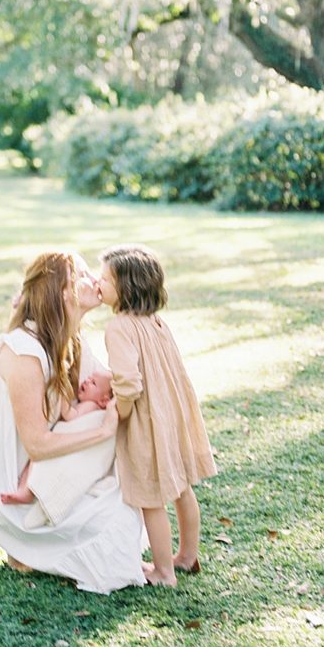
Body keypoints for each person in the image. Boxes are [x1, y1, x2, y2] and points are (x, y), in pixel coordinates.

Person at [0, 250, 146, 594]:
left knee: (125, 513)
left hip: (54, 467)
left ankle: (39, 548)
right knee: (113, 542)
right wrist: (101, 430)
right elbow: (36, 443)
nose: (95, 280)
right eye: (82, 275)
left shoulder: (70, 339)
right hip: (13, 490)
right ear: (62, 292)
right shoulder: (24, 351)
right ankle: (28, 539)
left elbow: (112, 385)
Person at [99, 244, 217, 587]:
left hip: (147, 419)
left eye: (106, 278)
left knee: (150, 497)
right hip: (172, 411)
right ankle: (188, 556)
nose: (99, 282)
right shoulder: (156, 321)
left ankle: (164, 571)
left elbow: (129, 383)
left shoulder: (119, 327)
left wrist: (117, 414)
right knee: (181, 487)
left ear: (128, 288)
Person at [0, 371, 114, 506]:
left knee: (36, 461)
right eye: (89, 378)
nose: (87, 381)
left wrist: (62, 391)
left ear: (104, 400)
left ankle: (26, 491)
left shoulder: (92, 406)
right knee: (33, 461)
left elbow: (71, 416)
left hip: (66, 443)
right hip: (62, 439)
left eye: (93, 383)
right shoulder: (87, 403)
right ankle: (24, 488)